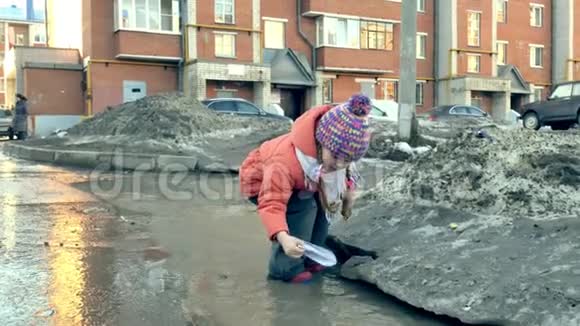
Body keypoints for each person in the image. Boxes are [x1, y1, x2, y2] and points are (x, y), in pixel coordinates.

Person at [239, 94, 372, 283]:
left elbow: (348, 173)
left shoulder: (338, 153)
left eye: (348, 159)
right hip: (260, 183)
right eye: (335, 157)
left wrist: (348, 196)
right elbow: (272, 204)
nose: (340, 164)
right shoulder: (283, 163)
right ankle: (286, 269)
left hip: (304, 180)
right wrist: (283, 238)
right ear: (320, 142)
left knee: (322, 207)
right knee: (304, 208)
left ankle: (312, 256)